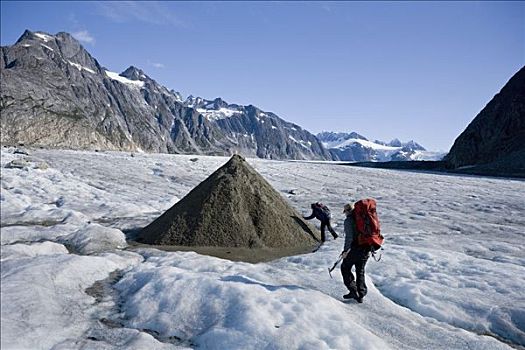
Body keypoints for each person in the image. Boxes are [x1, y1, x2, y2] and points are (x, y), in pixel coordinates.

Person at [340, 202, 370, 303]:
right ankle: (361, 294)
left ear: (347, 211)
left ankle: (353, 290)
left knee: (345, 268)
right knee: (360, 270)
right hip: (366, 249)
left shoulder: (349, 221)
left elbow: (349, 238)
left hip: (355, 249)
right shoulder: (364, 218)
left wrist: (345, 251)